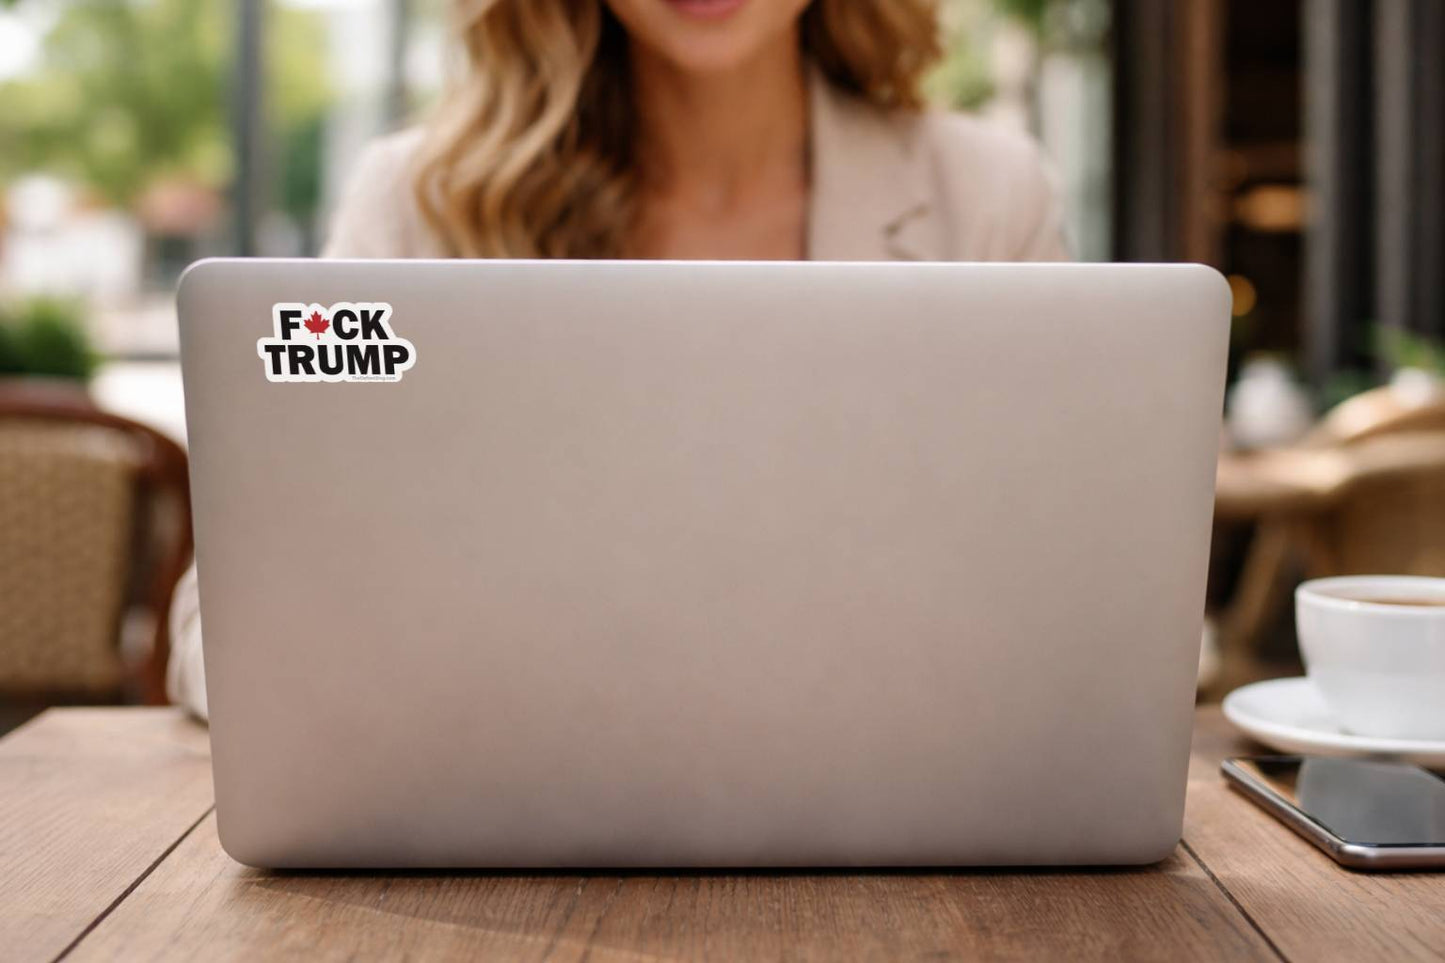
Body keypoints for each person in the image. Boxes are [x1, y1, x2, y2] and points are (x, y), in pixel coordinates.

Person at [168, 0, 1069, 717]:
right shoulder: (417, 210)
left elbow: (1068, 596)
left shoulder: (987, 198)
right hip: (503, 833)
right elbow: (226, 630)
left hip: (902, 823)